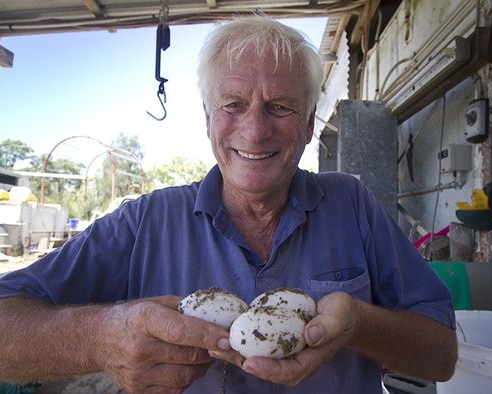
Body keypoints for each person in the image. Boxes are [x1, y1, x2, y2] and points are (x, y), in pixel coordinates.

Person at [0, 15, 457, 393]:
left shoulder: (352, 205)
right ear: (207, 118)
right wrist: (99, 337)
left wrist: (358, 323)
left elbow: (442, 355)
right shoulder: (146, 222)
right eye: (234, 104)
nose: (255, 130)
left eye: (279, 106)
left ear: (309, 120)